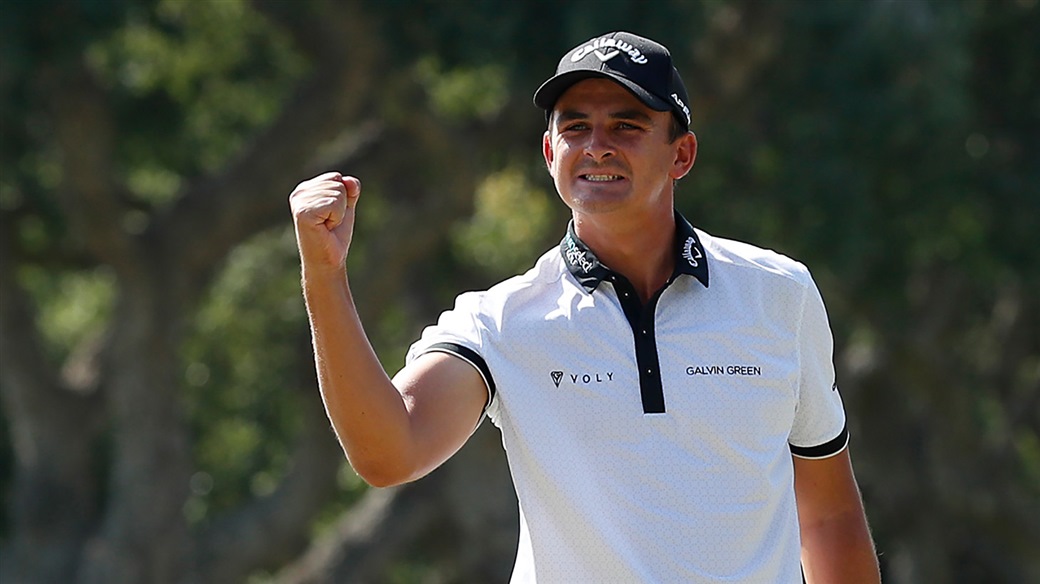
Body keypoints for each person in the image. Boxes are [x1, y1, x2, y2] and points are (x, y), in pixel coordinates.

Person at [290, 31, 880, 584]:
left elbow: (828, 518)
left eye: (627, 125)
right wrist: (325, 276)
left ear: (682, 155)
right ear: (550, 152)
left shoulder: (779, 294)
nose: (597, 146)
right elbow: (390, 454)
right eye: (576, 127)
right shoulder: (502, 323)